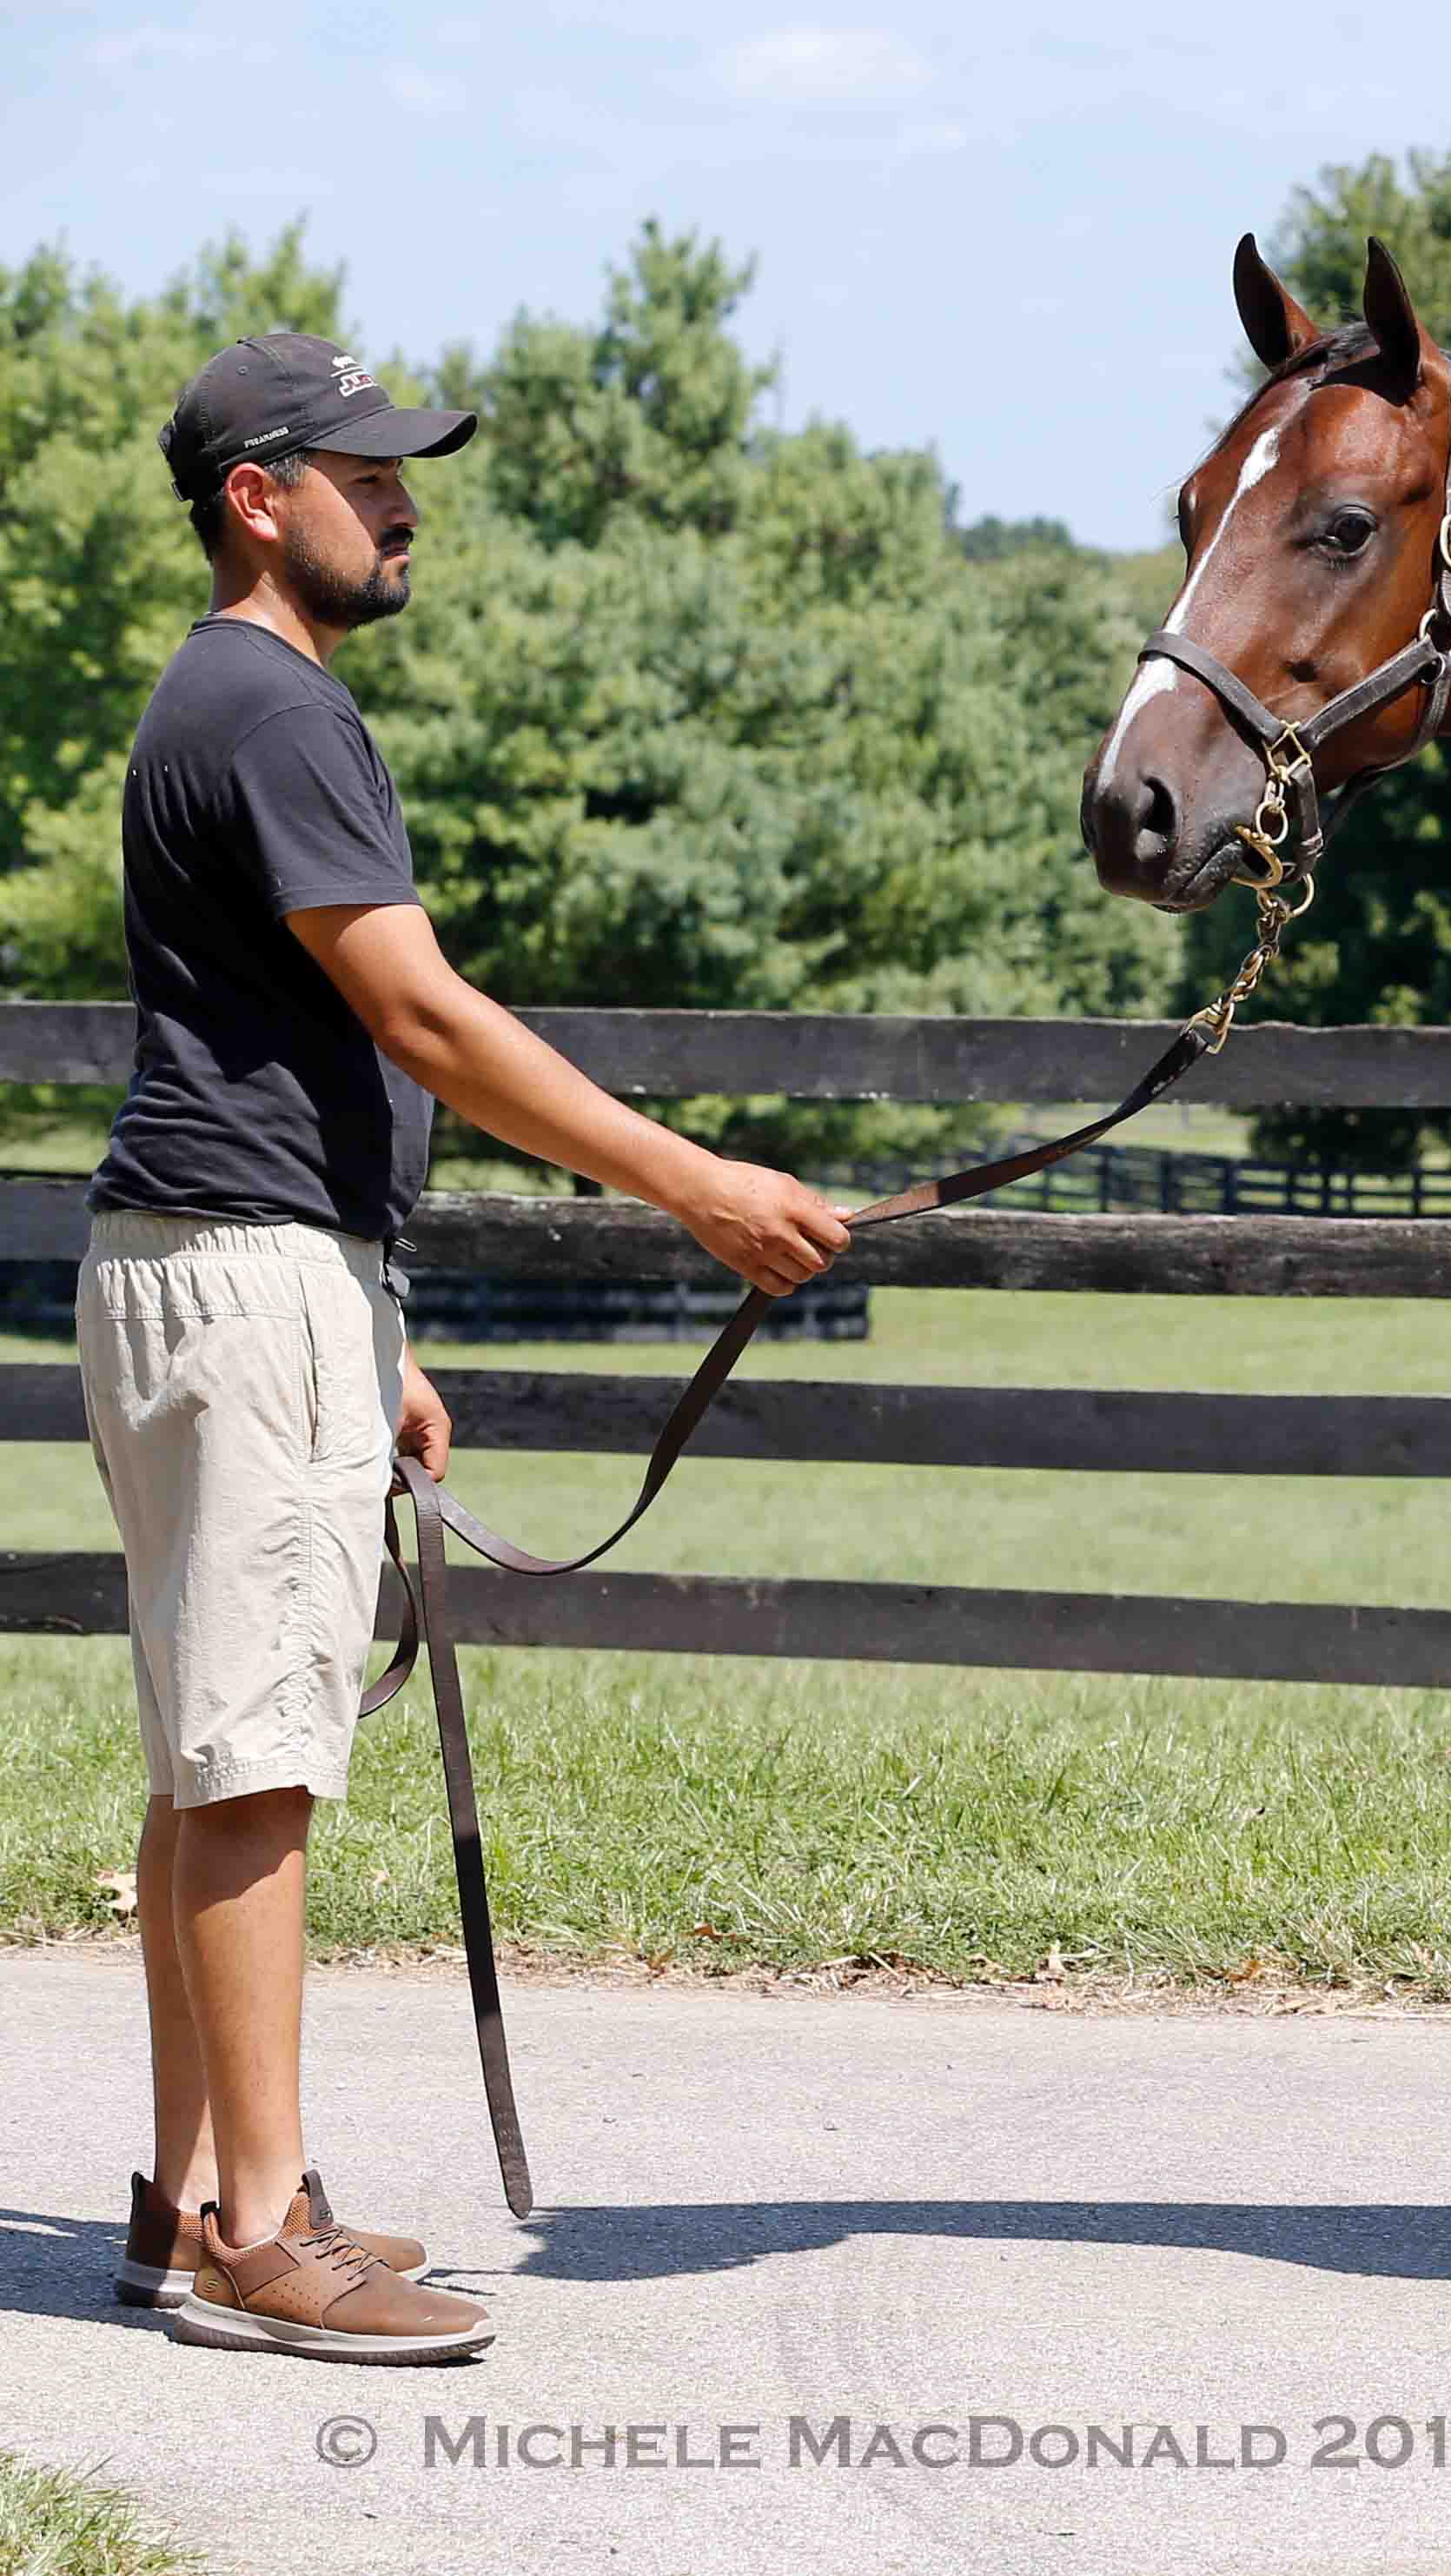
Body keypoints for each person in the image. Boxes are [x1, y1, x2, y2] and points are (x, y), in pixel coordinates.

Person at [87, 332, 850, 2365]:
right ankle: (261, 2235)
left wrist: (376, 1317)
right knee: (255, 1761)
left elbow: (296, 1050)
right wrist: (694, 1183)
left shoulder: (224, 695)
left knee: (203, 1751)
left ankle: (188, 2195)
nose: (407, 499)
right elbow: (417, 1020)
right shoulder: (275, 704)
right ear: (261, 497)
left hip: (234, 1264)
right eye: (365, 472)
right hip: (248, 1275)